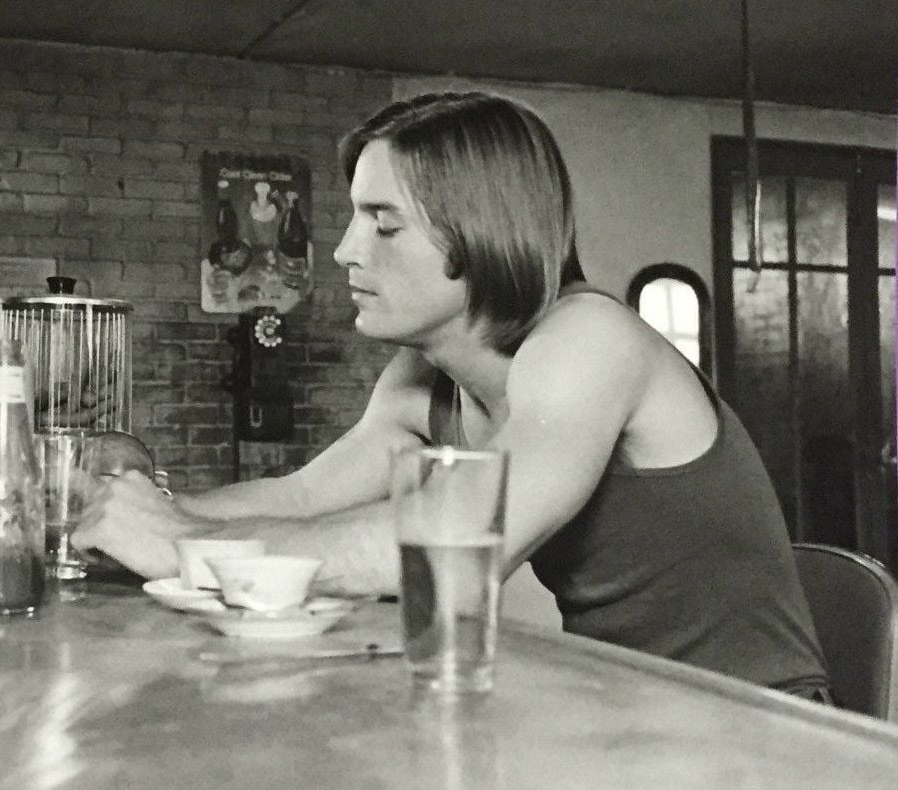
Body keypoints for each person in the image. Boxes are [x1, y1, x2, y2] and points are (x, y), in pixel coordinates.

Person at [76, 92, 830, 700]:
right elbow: (303, 497)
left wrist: (181, 545)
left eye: (383, 224)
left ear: (479, 235)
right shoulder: (421, 380)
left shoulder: (589, 340)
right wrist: (135, 506)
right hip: (621, 706)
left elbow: (453, 550)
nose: (343, 250)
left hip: (759, 730)